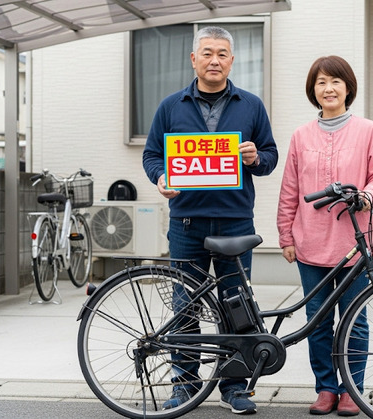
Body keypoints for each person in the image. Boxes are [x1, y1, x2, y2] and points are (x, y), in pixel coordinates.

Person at [142, 26, 278, 415]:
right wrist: (161, 177)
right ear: (194, 59)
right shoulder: (171, 106)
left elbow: (269, 157)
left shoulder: (251, 105)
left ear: (232, 61)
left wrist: (255, 158)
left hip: (236, 222)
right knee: (185, 306)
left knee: (237, 306)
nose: (214, 60)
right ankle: (184, 385)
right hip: (186, 222)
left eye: (222, 53)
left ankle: (235, 387)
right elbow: (153, 155)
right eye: (207, 53)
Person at [276, 56, 373, 416]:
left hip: (355, 242)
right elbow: (290, 190)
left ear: (348, 88)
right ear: (313, 91)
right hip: (310, 242)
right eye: (321, 82)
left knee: (354, 319)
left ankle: (351, 389)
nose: (328, 88)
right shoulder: (301, 135)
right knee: (317, 319)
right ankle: (326, 387)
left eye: (335, 82)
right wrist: (285, 235)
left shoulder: (368, 130)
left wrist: (366, 197)